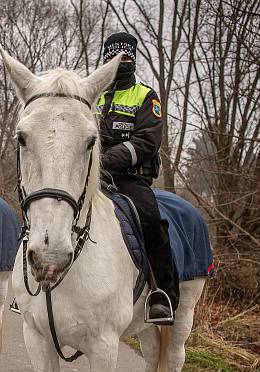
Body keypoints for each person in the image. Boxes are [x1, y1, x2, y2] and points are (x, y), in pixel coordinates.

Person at [96, 32, 180, 324]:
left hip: (129, 179)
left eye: (125, 56)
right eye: (114, 57)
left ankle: (162, 294)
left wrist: (106, 160)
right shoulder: (94, 95)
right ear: (105, 59)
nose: (120, 62)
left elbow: (147, 141)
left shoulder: (146, 96)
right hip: (91, 176)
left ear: (133, 58)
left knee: (151, 221)